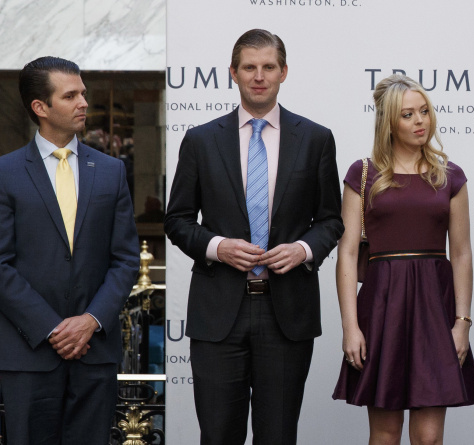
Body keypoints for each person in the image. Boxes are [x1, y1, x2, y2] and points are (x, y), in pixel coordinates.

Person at [164, 29, 343, 444]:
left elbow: (331, 221)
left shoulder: (316, 139)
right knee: (218, 435)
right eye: (249, 67)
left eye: (268, 67)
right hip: (218, 314)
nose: (258, 76)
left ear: (283, 72)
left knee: (278, 436)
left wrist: (302, 250)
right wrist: (217, 247)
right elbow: (177, 219)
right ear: (233, 72)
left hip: (287, 314)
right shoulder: (201, 140)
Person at [332, 74, 474, 444]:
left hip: (435, 306)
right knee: (384, 434)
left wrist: (462, 323)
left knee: (429, 437)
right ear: (388, 123)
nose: (420, 121)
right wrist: (350, 327)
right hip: (382, 306)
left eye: (425, 111)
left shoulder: (450, 176)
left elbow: (461, 253)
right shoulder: (363, 173)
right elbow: (347, 254)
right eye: (408, 115)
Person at [0, 56, 140, 444]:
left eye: (84, 92)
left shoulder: (111, 171)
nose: (84, 102)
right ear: (40, 108)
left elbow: (126, 259)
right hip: (27, 355)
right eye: (71, 95)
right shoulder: (5, 173)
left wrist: (90, 320)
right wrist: (51, 328)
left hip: (94, 352)